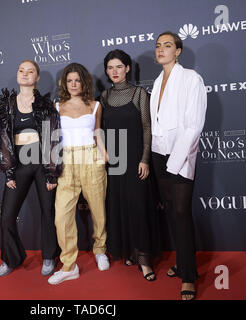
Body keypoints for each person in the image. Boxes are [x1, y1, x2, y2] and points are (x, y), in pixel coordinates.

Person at [150, 31, 207, 300]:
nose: (161, 49)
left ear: (178, 51)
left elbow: (194, 125)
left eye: (167, 45)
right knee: (171, 211)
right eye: (158, 46)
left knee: (182, 213)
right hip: (159, 155)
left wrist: (174, 162)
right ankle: (182, 262)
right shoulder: (157, 81)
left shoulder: (191, 79)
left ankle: (188, 276)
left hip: (180, 157)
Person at [0, 60, 62, 277]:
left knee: (48, 211)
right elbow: (1, 139)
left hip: (42, 163)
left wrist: (52, 172)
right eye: (21, 70)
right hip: (19, 164)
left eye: (30, 71)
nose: (24, 74)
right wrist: (9, 171)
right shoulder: (6, 105)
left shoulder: (45, 104)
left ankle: (49, 257)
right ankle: (11, 258)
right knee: (7, 216)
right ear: (17, 75)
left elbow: (53, 137)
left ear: (37, 77)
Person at [100, 49, 161, 282]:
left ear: (127, 68)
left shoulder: (139, 94)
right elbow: (101, 131)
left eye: (119, 67)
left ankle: (145, 260)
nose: (114, 71)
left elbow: (148, 128)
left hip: (136, 159)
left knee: (139, 208)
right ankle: (130, 252)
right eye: (110, 67)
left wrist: (145, 159)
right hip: (114, 163)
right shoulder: (104, 97)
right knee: (120, 207)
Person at [48, 63, 109, 285]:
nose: (74, 84)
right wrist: (51, 167)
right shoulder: (56, 106)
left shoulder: (95, 106)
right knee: (62, 216)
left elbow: (97, 132)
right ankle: (69, 265)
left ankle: (100, 249)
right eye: (70, 80)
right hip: (66, 162)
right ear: (64, 83)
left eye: (78, 80)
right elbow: (52, 138)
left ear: (84, 82)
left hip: (91, 159)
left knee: (98, 209)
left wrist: (103, 154)